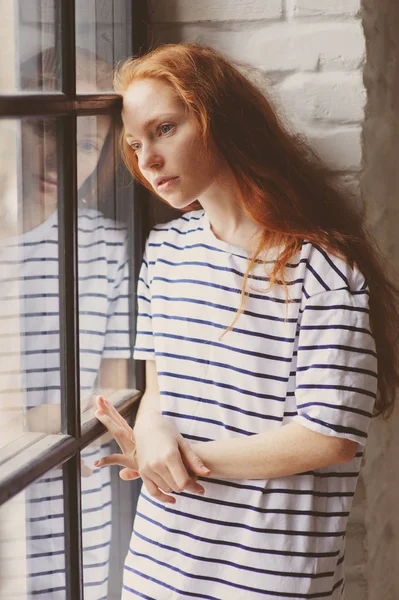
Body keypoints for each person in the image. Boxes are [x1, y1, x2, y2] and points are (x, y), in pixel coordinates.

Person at [94, 43, 399, 599]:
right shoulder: (165, 251)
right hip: (159, 564)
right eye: (135, 144)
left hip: (269, 576)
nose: (148, 160)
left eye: (164, 129)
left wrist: (176, 461)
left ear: (219, 120)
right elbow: (161, 386)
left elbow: (328, 438)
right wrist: (152, 429)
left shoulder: (322, 268)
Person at [0, 48, 130, 599]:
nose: (59, 161)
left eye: (82, 144)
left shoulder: (105, 247)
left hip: (75, 516)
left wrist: (26, 418)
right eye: (44, 132)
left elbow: (116, 394)